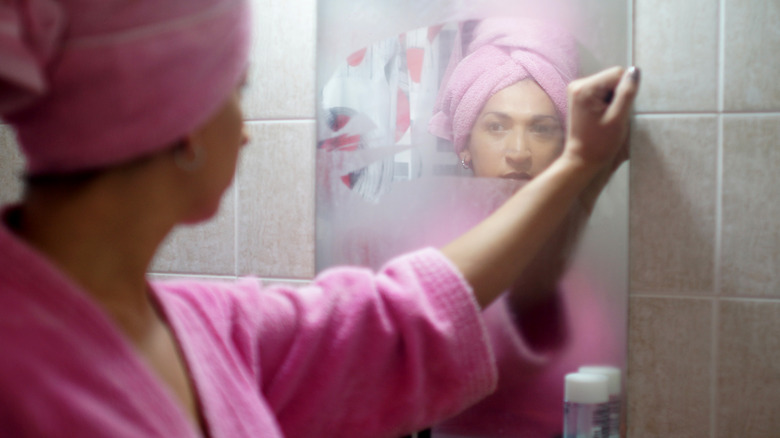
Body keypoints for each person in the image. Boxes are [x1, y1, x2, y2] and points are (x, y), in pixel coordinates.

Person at [0, 1, 639, 437]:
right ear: (184, 125)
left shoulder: (206, 328)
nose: (246, 132)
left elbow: (398, 320)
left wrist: (578, 161)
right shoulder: (21, 368)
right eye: (236, 92)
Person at [428, 18, 628, 437]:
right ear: (464, 143)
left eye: (541, 128)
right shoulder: (441, 241)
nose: (518, 152)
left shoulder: (596, 244)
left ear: (562, 143)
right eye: (497, 126)